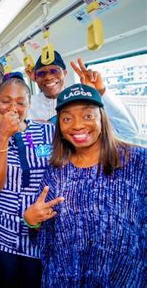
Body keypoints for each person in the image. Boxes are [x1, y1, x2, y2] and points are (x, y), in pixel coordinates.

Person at [24, 83, 145, 287]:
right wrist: (31, 220)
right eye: (67, 118)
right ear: (60, 128)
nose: (77, 125)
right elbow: (47, 232)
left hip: (123, 276)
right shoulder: (56, 171)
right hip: (67, 277)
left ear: (102, 119)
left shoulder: (138, 163)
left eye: (88, 116)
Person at [0, 74, 56, 287]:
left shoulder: (48, 132)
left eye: (21, 102)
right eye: (5, 101)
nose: (13, 108)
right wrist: (2, 136)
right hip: (2, 233)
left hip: (39, 233)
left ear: (29, 105)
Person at [26, 52, 139, 142]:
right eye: (41, 73)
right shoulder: (27, 105)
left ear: (64, 73)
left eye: (54, 71)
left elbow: (129, 131)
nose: (48, 77)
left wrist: (100, 91)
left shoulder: (83, 99)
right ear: (35, 78)